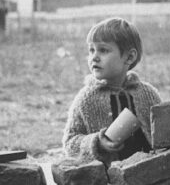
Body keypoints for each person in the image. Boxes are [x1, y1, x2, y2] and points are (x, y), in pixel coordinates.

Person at [63, 17, 161, 164]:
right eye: (91, 50)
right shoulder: (86, 99)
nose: (94, 57)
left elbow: (163, 133)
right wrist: (97, 143)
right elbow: (70, 142)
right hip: (106, 180)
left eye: (103, 50)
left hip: (147, 173)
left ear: (129, 57)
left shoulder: (148, 95)